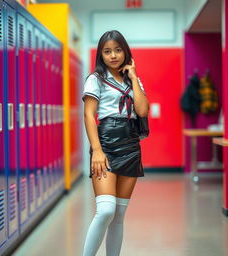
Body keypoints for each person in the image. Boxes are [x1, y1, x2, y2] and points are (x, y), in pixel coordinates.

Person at [82, 30, 149, 256]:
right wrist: (97, 151)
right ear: (101, 54)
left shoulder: (134, 80)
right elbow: (88, 115)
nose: (113, 55)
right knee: (105, 210)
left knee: (119, 215)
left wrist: (133, 77)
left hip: (130, 144)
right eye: (107, 51)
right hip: (106, 143)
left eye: (118, 50)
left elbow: (142, 110)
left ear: (125, 52)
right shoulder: (95, 79)